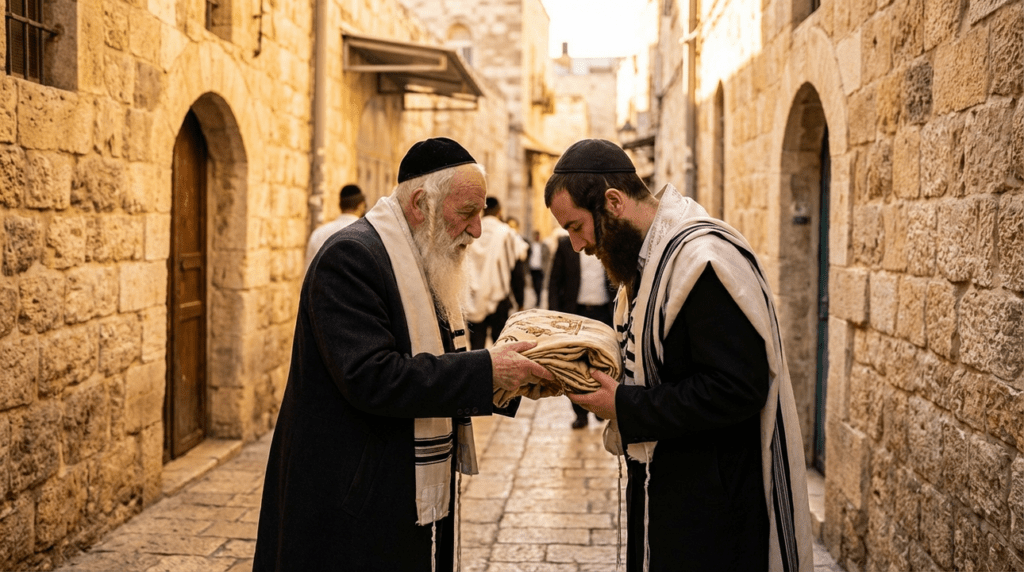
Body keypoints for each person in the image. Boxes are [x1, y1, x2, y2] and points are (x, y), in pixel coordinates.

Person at [254, 137, 553, 571]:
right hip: (350, 496)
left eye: (480, 215)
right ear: (420, 204)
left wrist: (507, 382)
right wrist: (489, 370)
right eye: (467, 214)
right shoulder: (352, 257)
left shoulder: (419, 255)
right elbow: (373, 376)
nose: (477, 231)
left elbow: (434, 363)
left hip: (389, 485)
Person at [544, 139, 812, 572]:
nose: (577, 245)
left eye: (577, 227)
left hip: (712, 506)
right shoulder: (649, 261)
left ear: (613, 202)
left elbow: (737, 388)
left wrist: (624, 404)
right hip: (668, 489)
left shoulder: (700, 262)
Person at [547, 233, 616, 429]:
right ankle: (580, 413)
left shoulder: (607, 240)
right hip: (575, 313)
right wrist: (553, 317)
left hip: (604, 313)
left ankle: (601, 407)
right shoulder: (565, 245)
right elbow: (554, 281)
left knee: (603, 364)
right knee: (575, 366)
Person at [463, 196, 527, 349]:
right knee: (500, 347)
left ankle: (478, 372)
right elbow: (517, 270)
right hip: (498, 298)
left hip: (473, 299)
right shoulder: (506, 233)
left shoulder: (471, 232)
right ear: (499, 212)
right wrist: (520, 301)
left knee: (476, 347)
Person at [304, 183, 366, 271]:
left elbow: (308, 274)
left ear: (340, 205)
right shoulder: (366, 236)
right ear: (361, 205)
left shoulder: (318, 234)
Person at [527, 230, 551, 307]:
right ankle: (537, 298)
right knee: (534, 285)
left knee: (539, 285)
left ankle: (539, 301)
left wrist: (546, 267)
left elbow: (547, 257)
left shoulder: (543, 246)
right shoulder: (530, 245)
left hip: (540, 269)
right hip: (532, 268)